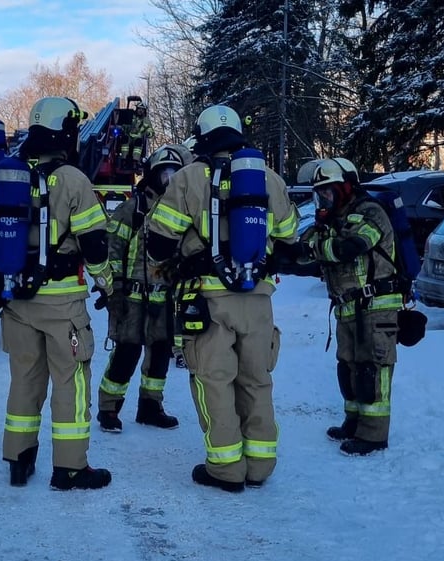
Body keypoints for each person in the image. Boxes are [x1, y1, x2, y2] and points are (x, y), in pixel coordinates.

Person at [146, 104, 299, 492]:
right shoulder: (268, 178)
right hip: (258, 298)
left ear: (203, 135)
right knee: (256, 379)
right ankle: (260, 465)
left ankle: (226, 468)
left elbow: (159, 244)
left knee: (214, 380)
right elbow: (291, 239)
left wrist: (187, 253)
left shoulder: (189, 178)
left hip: (207, 299)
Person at [0, 96, 115, 490]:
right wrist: (107, 284)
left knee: (24, 379)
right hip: (63, 305)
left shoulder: (6, 181)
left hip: (17, 302)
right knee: (70, 383)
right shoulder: (74, 180)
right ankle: (70, 468)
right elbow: (95, 248)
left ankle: (19, 461)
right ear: (66, 132)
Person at [294, 158, 402, 456]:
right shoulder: (330, 219)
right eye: (319, 194)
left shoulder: (370, 213)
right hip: (347, 305)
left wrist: (317, 246)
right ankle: (354, 421)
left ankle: (374, 434)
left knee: (373, 367)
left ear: (344, 187)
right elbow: (302, 250)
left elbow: (347, 248)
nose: (323, 199)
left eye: (327, 192)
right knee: (349, 366)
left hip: (376, 303)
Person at [96, 144, 192, 433]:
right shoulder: (132, 210)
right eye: (164, 172)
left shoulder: (181, 210)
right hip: (131, 298)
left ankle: (151, 407)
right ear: (151, 174)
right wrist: (111, 290)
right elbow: (112, 250)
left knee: (161, 353)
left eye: (174, 173)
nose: (169, 179)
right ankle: (108, 409)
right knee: (127, 353)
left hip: (166, 298)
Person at [122, 102, 154, 170]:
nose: (140, 111)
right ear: (136, 109)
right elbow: (123, 125)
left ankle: (135, 161)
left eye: (142, 109)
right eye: (139, 109)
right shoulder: (130, 116)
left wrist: (148, 133)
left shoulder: (146, 120)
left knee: (139, 142)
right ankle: (124, 160)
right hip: (129, 136)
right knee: (125, 139)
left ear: (144, 111)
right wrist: (124, 128)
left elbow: (151, 131)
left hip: (138, 137)